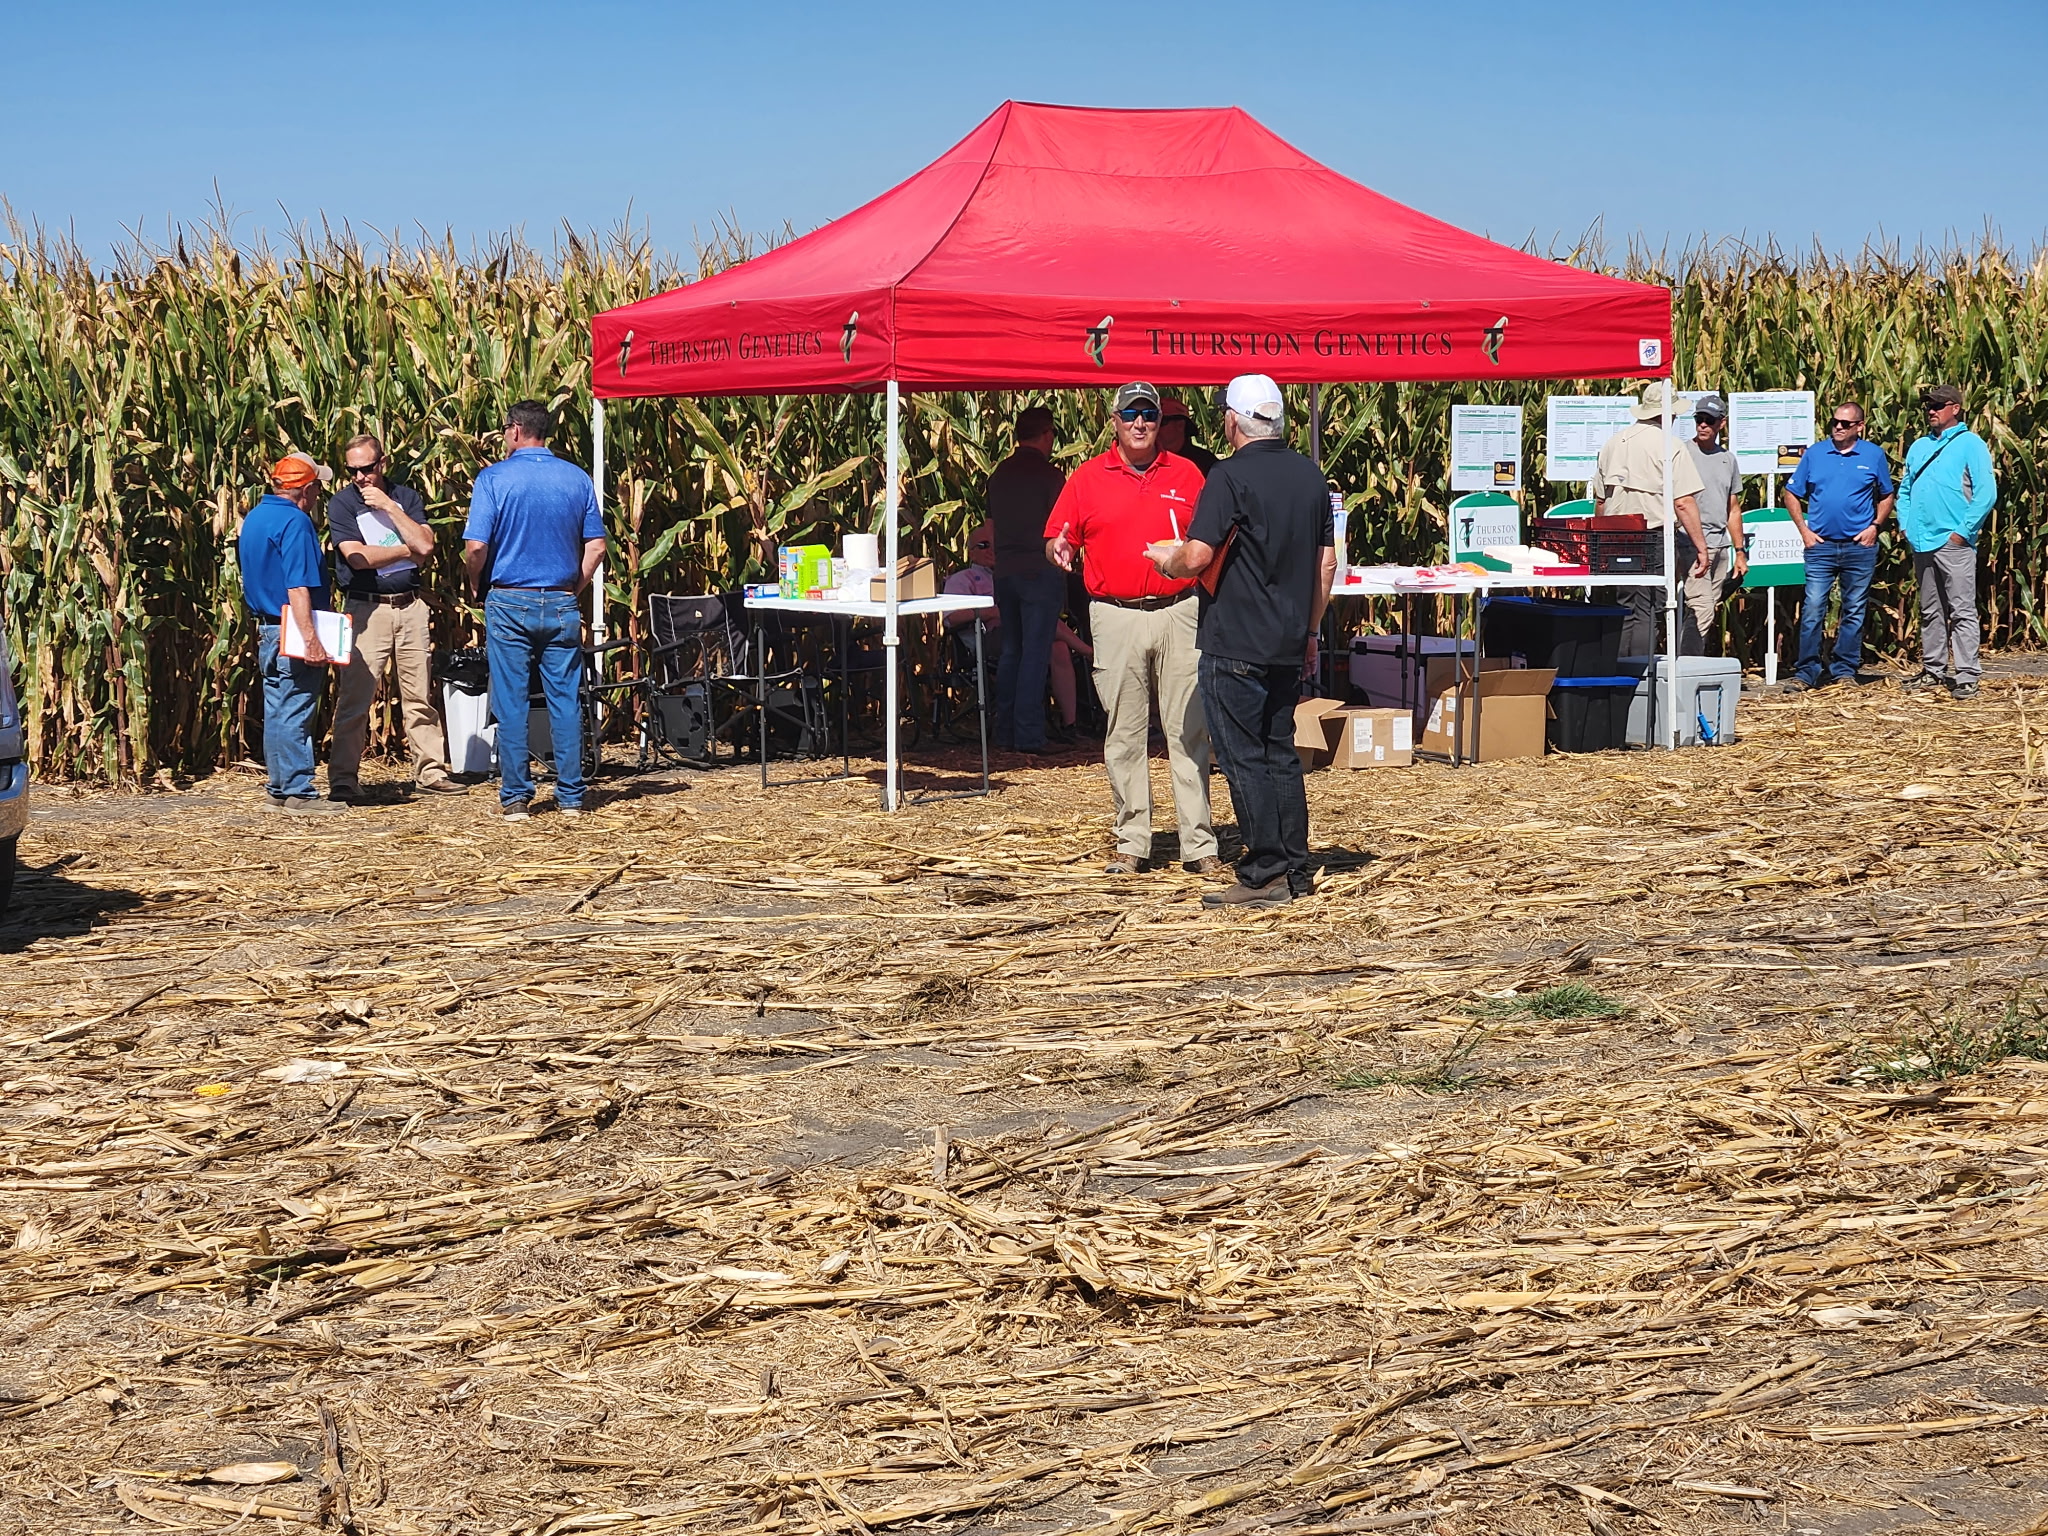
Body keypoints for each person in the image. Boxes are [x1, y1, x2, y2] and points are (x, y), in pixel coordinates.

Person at [1148, 374, 1335, 907]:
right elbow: (1326, 565)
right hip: (1288, 641)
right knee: (1280, 753)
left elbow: (1199, 555)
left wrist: (1168, 561)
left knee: (1243, 758)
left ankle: (1266, 872)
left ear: (1232, 420)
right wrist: (1312, 630)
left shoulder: (1227, 477)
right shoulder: (1310, 477)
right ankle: (1296, 867)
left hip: (1234, 642)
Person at [1046, 381, 1220, 876]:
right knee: (1124, 732)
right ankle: (1133, 839)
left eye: (1149, 414)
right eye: (1131, 414)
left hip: (1179, 610)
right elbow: (1059, 536)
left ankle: (1199, 844)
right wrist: (1058, 550)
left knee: (1189, 730)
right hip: (1115, 612)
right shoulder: (1086, 478)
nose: (1140, 423)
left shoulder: (1187, 474)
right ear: (1115, 421)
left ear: (1161, 422)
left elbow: (1210, 542)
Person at [463, 400, 607, 821]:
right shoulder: (576, 479)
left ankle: (516, 798)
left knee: (511, 701)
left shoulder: (493, 479)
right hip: (561, 601)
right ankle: (571, 798)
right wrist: (572, 587)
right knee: (565, 700)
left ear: (513, 431)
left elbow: (476, 547)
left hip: (509, 599)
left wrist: (476, 582)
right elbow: (596, 546)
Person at [325, 434, 463, 801]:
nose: (359, 477)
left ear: (381, 464)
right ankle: (343, 777)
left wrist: (388, 507)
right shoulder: (342, 505)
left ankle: (430, 771)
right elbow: (358, 558)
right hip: (366, 608)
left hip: (410, 606)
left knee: (419, 695)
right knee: (356, 697)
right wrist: (407, 548)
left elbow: (429, 545)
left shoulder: (406, 498)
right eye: (352, 470)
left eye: (366, 469)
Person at [237, 453, 347, 815]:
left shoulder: (255, 517)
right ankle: (299, 791)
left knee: (277, 710)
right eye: (318, 486)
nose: (319, 494)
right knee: (297, 709)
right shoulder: (295, 522)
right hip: (292, 630)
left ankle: (279, 788)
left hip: (266, 629)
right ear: (307, 488)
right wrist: (311, 639)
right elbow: (297, 587)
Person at [1588, 382, 1711, 657]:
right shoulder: (1672, 446)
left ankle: (1619, 672)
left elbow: (1600, 500)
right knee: (1647, 606)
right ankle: (1642, 675)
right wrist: (1701, 547)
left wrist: (1602, 538)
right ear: (1668, 414)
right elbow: (1683, 502)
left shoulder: (1613, 443)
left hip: (1615, 534)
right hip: (1651, 535)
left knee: (1625, 605)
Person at [1782, 401, 1895, 691]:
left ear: (1860, 426)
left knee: (1854, 609)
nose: (1839, 427)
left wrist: (1875, 527)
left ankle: (1844, 671)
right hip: (1821, 547)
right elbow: (1791, 493)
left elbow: (1886, 494)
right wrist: (1803, 531)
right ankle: (1806, 671)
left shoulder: (1873, 455)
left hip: (1859, 547)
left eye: (1846, 423)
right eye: (1835, 422)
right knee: (1813, 608)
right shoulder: (1816, 454)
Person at [1897, 384, 1997, 700]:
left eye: (1938, 405)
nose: (1931, 410)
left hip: (1953, 542)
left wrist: (1962, 532)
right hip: (1922, 540)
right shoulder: (1918, 447)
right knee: (1930, 610)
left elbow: (1986, 493)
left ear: (1955, 408)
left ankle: (1967, 675)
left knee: (1962, 609)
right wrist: (1906, 526)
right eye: (1928, 405)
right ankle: (1933, 670)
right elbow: (1905, 490)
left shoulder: (1971, 444)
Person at [945, 521, 1091, 736]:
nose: (991, 550)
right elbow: (951, 617)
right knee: (1043, 621)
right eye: (983, 545)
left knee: (1057, 646)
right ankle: (1089, 652)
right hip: (989, 638)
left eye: (996, 544)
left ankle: (1070, 724)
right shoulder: (962, 579)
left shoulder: (1010, 576)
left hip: (1020, 630)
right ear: (971, 553)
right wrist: (991, 611)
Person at [984, 406, 1067, 754]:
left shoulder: (998, 475)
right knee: (1036, 652)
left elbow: (990, 524)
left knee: (1011, 651)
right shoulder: (1050, 476)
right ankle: (1030, 734)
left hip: (1005, 571)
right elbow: (1062, 526)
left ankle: (1005, 732)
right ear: (1046, 435)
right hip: (1039, 569)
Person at [1676, 394, 1746, 655]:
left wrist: (1740, 551)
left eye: (1709, 420)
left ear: (1721, 424)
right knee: (1702, 606)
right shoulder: (1682, 453)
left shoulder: (1728, 460)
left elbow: (1733, 508)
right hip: (1689, 544)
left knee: (1705, 608)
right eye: (1699, 419)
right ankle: (1688, 666)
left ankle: (1683, 659)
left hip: (1721, 546)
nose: (1703, 425)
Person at [1158, 396, 1218, 477]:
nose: (1154, 427)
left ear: (1180, 425)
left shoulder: (1205, 462)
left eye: (1161, 422)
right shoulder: (1145, 460)